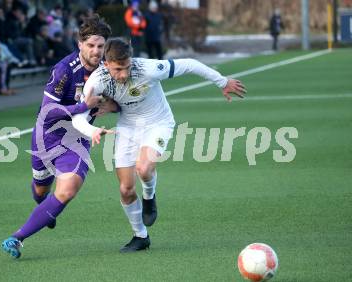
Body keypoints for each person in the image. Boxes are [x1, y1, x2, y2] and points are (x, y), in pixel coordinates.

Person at [72, 38, 246, 252]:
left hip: (158, 122)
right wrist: (92, 130)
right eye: (118, 69)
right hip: (127, 127)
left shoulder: (149, 68)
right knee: (126, 189)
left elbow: (190, 64)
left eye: (127, 67)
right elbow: (77, 117)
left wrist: (222, 82)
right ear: (106, 64)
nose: (124, 74)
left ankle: (149, 195)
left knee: (144, 168)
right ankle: (140, 236)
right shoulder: (97, 81)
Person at [1, 14, 117, 259]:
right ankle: (45, 209)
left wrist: (113, 106)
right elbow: (47, 111)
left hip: (77, 140)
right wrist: (83, 106)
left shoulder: (109, 69)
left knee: (67, 189)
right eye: (91, 46)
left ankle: (17, 238)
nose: (96, 51)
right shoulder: (65, 70)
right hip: (46, 137)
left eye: (100, 46)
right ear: (80, 45)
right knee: (41, 191)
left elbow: (120, 98)